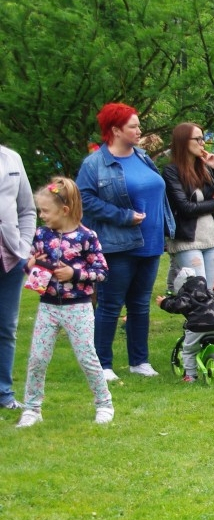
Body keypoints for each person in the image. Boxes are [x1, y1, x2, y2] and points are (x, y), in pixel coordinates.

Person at [78, 102, 175, 381]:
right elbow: (84, 200)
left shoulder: (143, 157)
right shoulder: (95, 163)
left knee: (140, 304)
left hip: (152, 242)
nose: (139, 130)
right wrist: (123, 215)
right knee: (111, 304)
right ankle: (102, 365)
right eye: (133, 126)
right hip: (118, 244)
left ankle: (139, 361)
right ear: (116, 130)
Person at [16, 177, 112, 427]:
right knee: (37, 358)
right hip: (47, 307)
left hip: (78, 308)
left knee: (87, 357)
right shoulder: (41, 235)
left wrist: (74, 274)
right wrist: (30, 267)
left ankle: (104, 404)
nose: (41, 215)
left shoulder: (87, 237)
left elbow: (101, 271)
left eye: (46, 211)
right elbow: (36, 269)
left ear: (65, 210)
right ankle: (32, 409)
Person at [163, 123, 214, 284]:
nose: (202, 143)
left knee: (207, 294)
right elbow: (186, 208)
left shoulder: (206, 168)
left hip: (212, 239)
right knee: (197, 292)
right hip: (188, 240)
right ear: (183, 141)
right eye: (197, 139)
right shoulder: (171, 171)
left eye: (203, 139)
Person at [0, 145, 35, 411]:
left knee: (6, 327)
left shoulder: (12, 157)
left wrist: (23, 246)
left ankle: (4, 395)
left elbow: (27, 209)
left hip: (10, 258)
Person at [157, 269, 214, 384]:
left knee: (189, 351)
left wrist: (164, 302)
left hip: (197, 326)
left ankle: (190, 377)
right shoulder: (208, 292)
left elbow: (177, 306)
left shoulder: (186, 295)